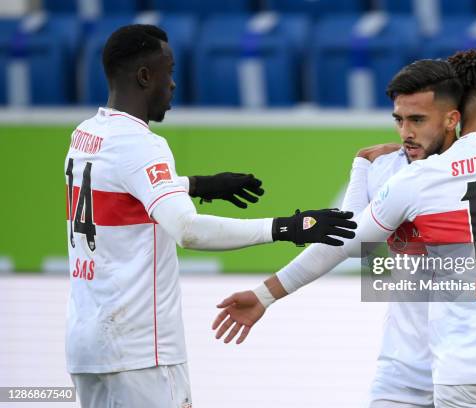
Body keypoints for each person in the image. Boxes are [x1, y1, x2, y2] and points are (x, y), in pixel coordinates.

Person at [213, 50, 476, 407]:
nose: (405, 132)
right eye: (399, 120)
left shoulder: (454, 174)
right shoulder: (394, 172)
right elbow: (347, 241)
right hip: (413, 370)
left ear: (452, 118)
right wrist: (266, 294)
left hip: (470, 364)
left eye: (417, 120)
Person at [64, 24, 357, 408]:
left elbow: (121, 191)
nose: (172, 84)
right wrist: (288, 227)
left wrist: (197, 184)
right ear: (144, 76)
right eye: (168, 71)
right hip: (140, 349)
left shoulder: (85, 135)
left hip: (87, 346)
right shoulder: (142, 144)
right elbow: (187, 230)